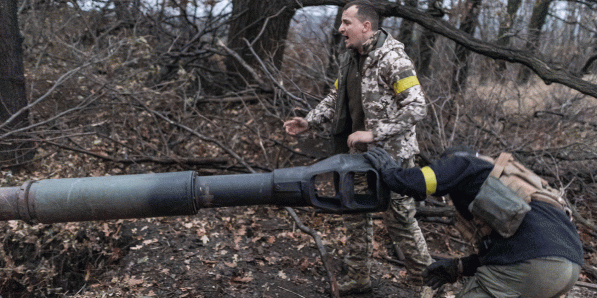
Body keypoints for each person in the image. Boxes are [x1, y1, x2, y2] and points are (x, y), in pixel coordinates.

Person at [283, 0, 432, 295]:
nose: (340, 29)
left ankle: (426, 281)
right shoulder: (352, 57)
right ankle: (359, 276)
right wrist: (309, 122)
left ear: (366, 26)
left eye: (346, 23)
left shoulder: (393, 60)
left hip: (393, 158)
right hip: (356, 158)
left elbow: (417, 107)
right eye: (341, 23)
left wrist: (374, 133)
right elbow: (336, 96)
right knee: (354, 214)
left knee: (400, 220)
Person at [363, 147, 583, 298]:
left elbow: (418, 183)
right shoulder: (509, 182)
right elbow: (513, 248)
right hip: (570, 266)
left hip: (534, 266)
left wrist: (390, 172)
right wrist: (459, 267)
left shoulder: (464, 163)